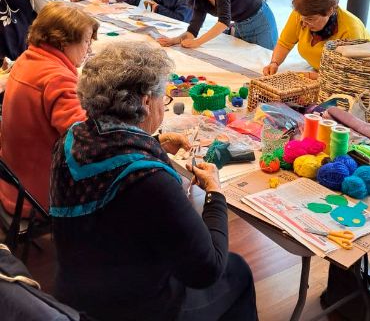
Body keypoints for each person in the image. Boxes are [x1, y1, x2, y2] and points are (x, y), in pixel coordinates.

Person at [50, 41, 258, 321]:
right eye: (163, 97)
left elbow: (107, 163)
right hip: (133, 308)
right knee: (237, 271)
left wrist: (154, 142)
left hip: (74, 288)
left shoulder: (71, 139)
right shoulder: (150, 182)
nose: (163, 103)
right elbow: (207, 270)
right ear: (147, 102)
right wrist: (215, 194)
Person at [0, 2, 98, 215]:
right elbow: (88, 143)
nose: (90, 49)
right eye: (87, 42)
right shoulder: (57, 78)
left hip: (15, 185)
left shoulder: (28, 58)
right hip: (39, 195)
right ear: (63, 42)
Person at [263, 0, 370, 74]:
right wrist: (274, 63)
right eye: (302, 17)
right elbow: (285, 43)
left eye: (310, 19)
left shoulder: (351, 30)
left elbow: (350, 73)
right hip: (320, 72)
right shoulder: (302, 14)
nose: (304, 23)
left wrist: (313, 77)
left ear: (330, 11)